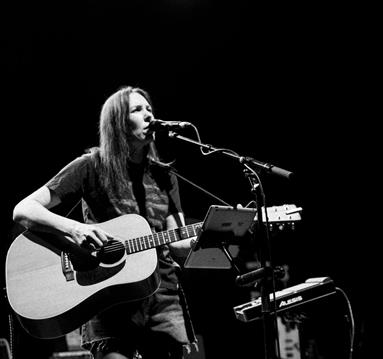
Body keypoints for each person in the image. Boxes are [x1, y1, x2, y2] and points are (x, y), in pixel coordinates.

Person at [12, 85, 197, 359]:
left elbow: (179, 244)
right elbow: (23, 209)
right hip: (106, 299)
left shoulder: (164, 176)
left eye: (149, 109)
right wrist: (74, 228)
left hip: (162, 299)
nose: (148, 116)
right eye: (137, 110)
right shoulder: (91, 166)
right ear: (117, 122)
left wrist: (208, 235)